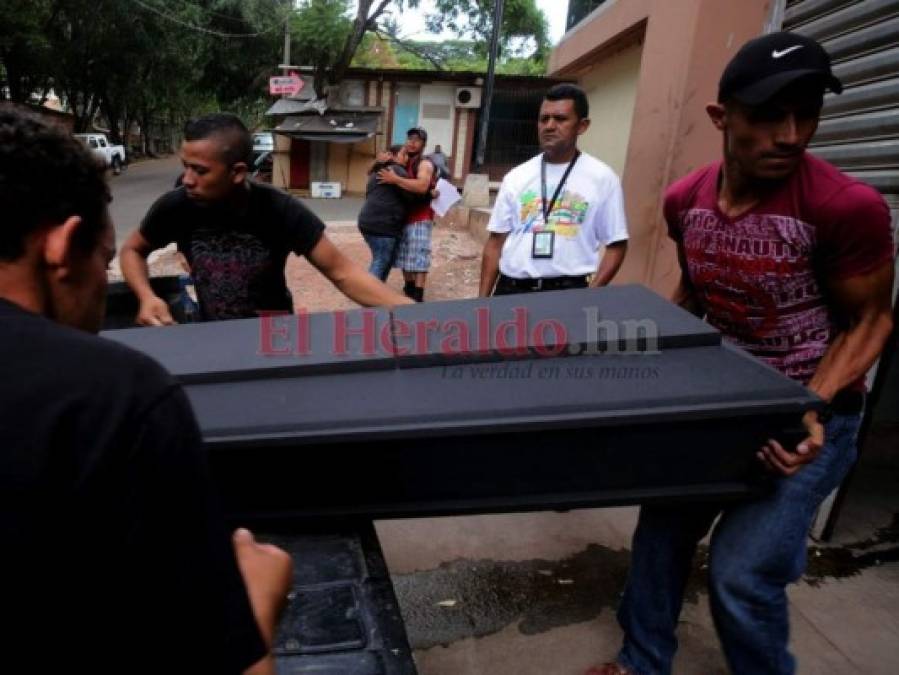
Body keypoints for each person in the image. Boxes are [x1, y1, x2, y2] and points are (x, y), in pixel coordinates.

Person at [591, 32, 895, 675]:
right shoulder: (685, 201)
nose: (790, 134)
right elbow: (698, 290)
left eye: (806, 112)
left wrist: (810, 406)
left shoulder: (846, 207)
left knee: (741, 572)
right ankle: (642, 663)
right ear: (720, 118)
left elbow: (872, 321)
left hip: (809, 418)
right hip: (725, 405)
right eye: (766, 116)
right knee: (662, 534)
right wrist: (651, 365)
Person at [0, 106, 293, 674]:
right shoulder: (117, 398)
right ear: (65, 246)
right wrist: (257, 600)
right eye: (102, 261)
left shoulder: (278, 211)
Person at [121, 112, 411, 325]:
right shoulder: (177, 207)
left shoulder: (279, 209)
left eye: (200, 170)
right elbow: (133, 249)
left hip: (274, 340)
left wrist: (414, 312)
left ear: (236, 172)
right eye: (185, 167)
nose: (187, 180)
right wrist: (146, 296)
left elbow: (344, 273)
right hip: (211, 336)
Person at [479, 84, 629, 296]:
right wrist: (481, 302)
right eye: (544, 119)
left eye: (560, 119)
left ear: (582, 126)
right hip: (511, 290)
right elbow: (495, 243)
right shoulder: (517, 176)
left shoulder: (602, 178)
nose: (549, 126)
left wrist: (591, 294)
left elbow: (617, 245)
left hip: (568, 292)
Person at [377, 126, 437, 302]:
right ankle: (409, 286)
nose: (412, 143)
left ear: (423, 144)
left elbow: (422, 186)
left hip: (420, 217)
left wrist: (395, 179)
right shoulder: (402, 160)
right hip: (402, 217)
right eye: (409, 139)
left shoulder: (424, 164)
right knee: (404, 255)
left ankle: (418, 293)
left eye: (416, 140)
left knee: (419, 255)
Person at [358, 144, 410, 281]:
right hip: (382, 225)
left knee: (384, 260)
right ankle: (369, 295)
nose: (407, 158)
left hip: (369, 222)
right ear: (392, 156)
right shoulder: (397, 171)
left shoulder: (378, 171)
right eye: (403, 154)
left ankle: (377, 293)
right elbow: (412, 196)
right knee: (381, 261)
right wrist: (429, 193)